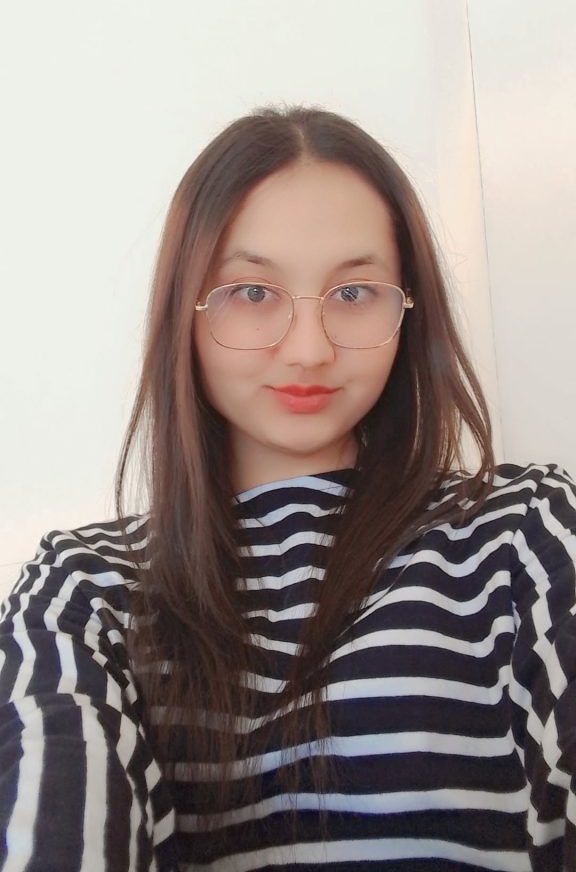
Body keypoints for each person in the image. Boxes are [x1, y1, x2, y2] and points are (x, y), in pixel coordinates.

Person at [0, 105, 575, 872]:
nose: (308, 350)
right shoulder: (87, 586)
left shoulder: (523, 531)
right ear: (187, 313)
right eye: (251, 292)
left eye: (354, 292)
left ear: (410, 309)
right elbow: (54, 802)